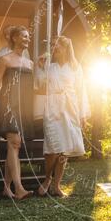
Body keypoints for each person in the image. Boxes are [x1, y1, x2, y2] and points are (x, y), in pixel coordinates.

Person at [34, 36, 90, 197]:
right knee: (52, 148)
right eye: (52, 45)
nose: (54, 47)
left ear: (66, 48)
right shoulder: (49, 67)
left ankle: (57, 185)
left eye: (57, 45)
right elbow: (39, 88)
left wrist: (83, 114)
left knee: (64, 150)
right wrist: (39, 68)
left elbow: (81, 92)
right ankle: (47, 180)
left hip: (70, 108)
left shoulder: (75, 67)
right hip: (52, 108)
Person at [0, 25, 34, 200]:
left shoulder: (30, 63)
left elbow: (36, 87)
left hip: (24, 108)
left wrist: (43, 68)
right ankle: (19, 188)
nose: (27, 39)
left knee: (13, 146)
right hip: (8, 105)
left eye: (28, 36)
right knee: (14, 143)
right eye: (24, 36)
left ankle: (6, 188)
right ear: (14, 38)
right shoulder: (5, 59)